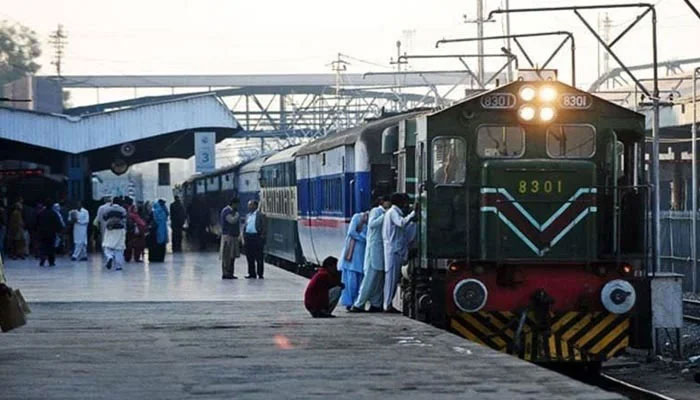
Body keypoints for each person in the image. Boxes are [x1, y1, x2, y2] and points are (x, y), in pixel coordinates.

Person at [351, 195, 392, 313]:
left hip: (381, 250)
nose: (388, 203)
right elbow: (372, 224)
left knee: (378, 280)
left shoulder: (386, 212)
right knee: (369, 278)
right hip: (373, 250)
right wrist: (385, 216)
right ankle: (359, 304)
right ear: (381, 201)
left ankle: (376, 303)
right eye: (387, 201)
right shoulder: (376, 211)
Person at [382, 193, 418, 313]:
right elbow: (401, 223)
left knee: (391, 279)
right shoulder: (393, 213)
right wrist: (413, 214)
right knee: (391, 279)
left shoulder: (392, 212)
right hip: (394, 251)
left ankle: (388, 304)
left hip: (394, 250)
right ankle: (387, 305)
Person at [338, 211, 368, 310]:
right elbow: (351, 232)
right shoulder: (358, 217)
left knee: (359, 278)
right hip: (353, 251)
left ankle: (356, 302)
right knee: (351, 279)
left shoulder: (370, 219)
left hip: (362, 252)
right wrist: (365, 238)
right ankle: (350, 302)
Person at [101, 198, 127, 271]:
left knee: (107, 246)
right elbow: (125, 220)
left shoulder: (107, 209)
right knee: (119, 248)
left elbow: (104, 218)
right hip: (120, 230)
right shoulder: (123, 210)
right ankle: (118, 266)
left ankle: (109, 257)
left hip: (110, 230)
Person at [242, 200, 266, 279]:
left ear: (255, 206)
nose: (249, 207)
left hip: (257, 237)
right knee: (250, 257)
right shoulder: (247, 215)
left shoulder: (260, 215)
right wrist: (244, 236)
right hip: (248, 238)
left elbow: (264, 226)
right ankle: (251, 273)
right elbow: (245, 226)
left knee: (259, 257)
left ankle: (260, 273)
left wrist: (262, 236)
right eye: (249, 205)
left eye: (251, 205)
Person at [37, 200, 63, 267]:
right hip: (51, 234)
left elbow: (36, 223)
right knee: (51, 248)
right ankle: (51, 261)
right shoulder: (53, 214)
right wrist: (60, 231)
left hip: (42, 234)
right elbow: (58, 224)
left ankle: (42, 259)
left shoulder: (41, 213)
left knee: (43, 247)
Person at [219, 198, 241, 279]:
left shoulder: (230, 211)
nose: (237, 206)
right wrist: (237, 215)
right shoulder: (226, 211)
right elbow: (231, 220)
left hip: (232, 236)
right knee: (227, 256)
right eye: (237, 204)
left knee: (232, 256)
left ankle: (230, 273)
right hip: (228, 236)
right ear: (233, 203)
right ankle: (226, 273)